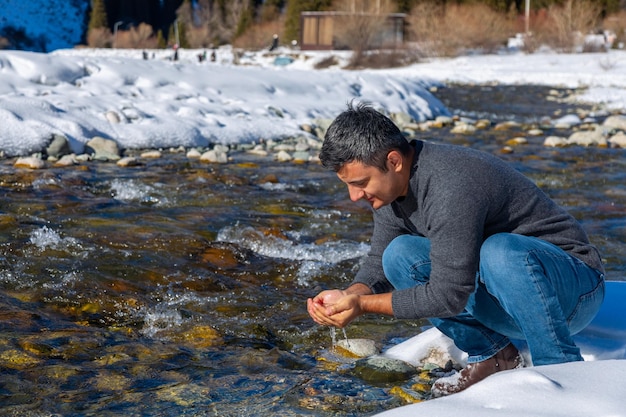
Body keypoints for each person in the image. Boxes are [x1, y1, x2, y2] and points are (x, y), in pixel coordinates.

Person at [307, 102, 605, 397]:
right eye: (348, 185)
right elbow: (377, 262)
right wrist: (351, 295)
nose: (355, 195)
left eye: (360, 183)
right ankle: (494, 357)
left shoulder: (450, 184)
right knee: (398, 255)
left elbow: (448, 296)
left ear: (394, 161)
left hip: (572, 293)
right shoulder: (391, 191)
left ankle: (560, 371)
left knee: (498, 251)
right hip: (507, 295)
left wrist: (364, 306)